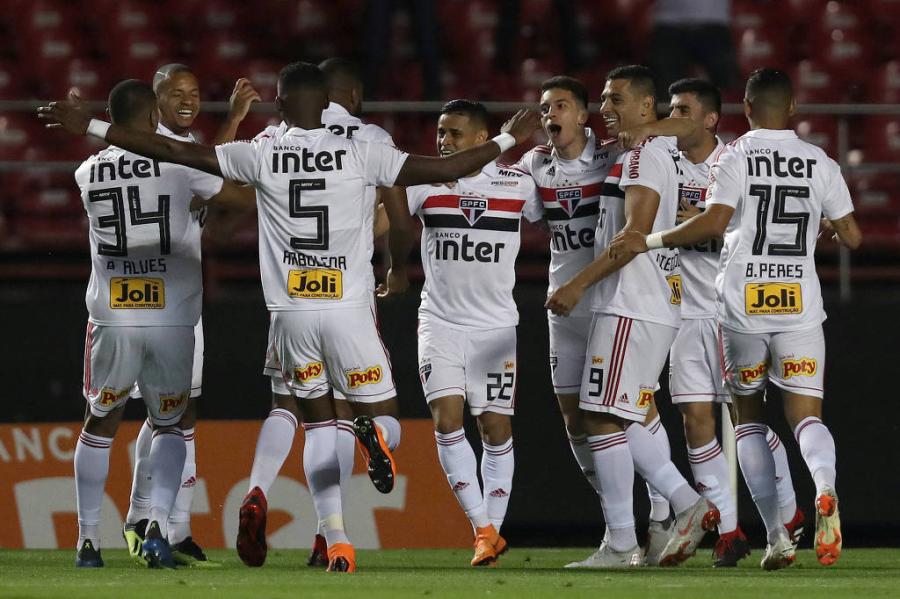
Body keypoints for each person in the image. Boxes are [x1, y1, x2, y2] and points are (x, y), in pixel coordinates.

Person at [39, 61, 542, 573]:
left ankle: (337, 540)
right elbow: (443, 170)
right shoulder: (363, 148)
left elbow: (173, 150)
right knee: (382, 414)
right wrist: (506, 141)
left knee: (316, 424)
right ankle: (378, 441)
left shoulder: (262, 151)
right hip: (346, 308)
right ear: (326, 105)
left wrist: (95, 129)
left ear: (278, 106)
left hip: (289, 317)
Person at [609, 68, 862, 570]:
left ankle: (777, 535)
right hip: (798, 304)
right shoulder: (820, 160)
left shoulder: (735, 156)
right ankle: (824, 488)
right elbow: (853, 238)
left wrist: (654, 238)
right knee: (806, 416)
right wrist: (829, 224)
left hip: (742, 307)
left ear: (743, 109)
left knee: (747, 420)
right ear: (791, 108)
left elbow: (716, 222)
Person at [545, 65, 720, 569]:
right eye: (602, 98)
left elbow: (633, 237)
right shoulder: (648, 150)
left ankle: (647, 528)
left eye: (616, 99)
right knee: (614, 415)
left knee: (601, 416)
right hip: (645, 304)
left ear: (647, 106)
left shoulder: (644, 155)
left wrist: (577, 284)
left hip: (631, 303)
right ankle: (649, 524)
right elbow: (687, 130)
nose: (605, 107)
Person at [67, 80, 247, 569]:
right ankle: (157, 529)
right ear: (153, 120)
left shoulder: (86, 172)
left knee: (100, 423)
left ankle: (87, 541)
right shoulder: (180, 163)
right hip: (171, 316)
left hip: (112, 314)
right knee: (171, 425)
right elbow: (235, 198)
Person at [245, 57, 413, 568]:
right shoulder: (372, 140)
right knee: (367, 417)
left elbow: (231, 189)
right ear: (354, 96)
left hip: (292, 301)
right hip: (349, 300)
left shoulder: (276, 138)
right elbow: (399, 220)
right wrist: (394, 267)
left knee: (295, 409)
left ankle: (316, 525)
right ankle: (333, 523)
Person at [123, 63, 259, 568]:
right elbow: (218, 179)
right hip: (159, 302)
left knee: (174, 414)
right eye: (175, 92)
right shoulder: (160, 149)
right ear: (153, 99)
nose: (187, 99)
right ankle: (153, 521)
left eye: (194, 91)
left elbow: (207, 168)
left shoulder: (179, 147)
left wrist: (232, 122)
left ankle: (159, 522)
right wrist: (276, 185)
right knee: (173, 416)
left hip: (175, 299)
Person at [408, 99, 542, 566]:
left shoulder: (518, 183)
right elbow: (380, 216)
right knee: (447, 421)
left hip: (496, 329)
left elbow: (566, 219)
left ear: (483, 138)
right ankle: (482, 529)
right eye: (440, 133)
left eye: (455, 134)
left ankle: (492, 533)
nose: (444, 141)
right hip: (439, 323)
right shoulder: (422, 182)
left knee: (494, 428)